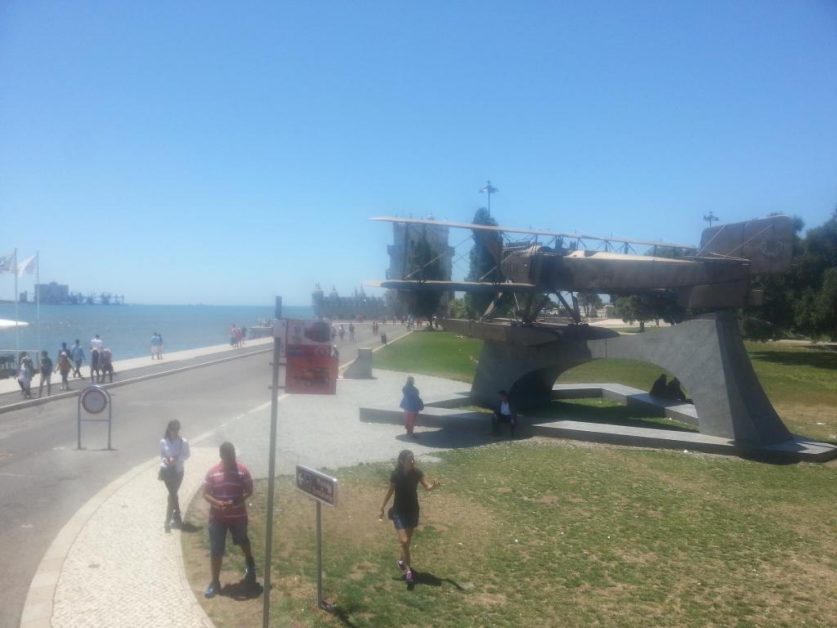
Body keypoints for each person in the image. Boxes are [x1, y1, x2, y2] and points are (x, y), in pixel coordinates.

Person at [203, 442, 258, 598]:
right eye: (228, 456)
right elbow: (206, 494)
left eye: (233, 455)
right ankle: (215, 582)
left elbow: (249, 490)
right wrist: (218, 503)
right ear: (221, 456)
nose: (232, 459)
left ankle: (250, 561)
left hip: (238, 516)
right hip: (217, 519)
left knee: (242, 540)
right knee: (216, 549)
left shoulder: (242, 471)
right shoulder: (212, 473)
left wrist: (236, 502)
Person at [378, 450, 440, 585]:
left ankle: (401, 561)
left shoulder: (417, 473)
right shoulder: (396, 475)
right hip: (399, 512)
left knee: (407, 542)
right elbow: (390, 491)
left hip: (413, 510)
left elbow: (427, 486)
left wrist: (433, 486)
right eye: (409, 460)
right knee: (405, 541)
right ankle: (408, 572)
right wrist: (382, 507)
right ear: (401, 461)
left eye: (413, 459)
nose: (412, 461)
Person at [160, 420, 191, 532]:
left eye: (177, 429)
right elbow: (162, 455)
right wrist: (166, 460)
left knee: (171, 495)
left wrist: (177, 459)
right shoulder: (164, 441)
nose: (175, 431)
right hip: (166, 472)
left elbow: (187, 455)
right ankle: (177, 513)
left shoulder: (183, 442)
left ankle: (167, 522)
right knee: (172, 494)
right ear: (169, 429)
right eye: (173, 429)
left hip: (178, 472)